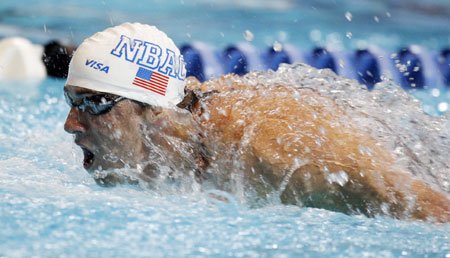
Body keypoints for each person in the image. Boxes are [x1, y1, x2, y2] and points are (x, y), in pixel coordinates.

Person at [63, 22, 450, 222]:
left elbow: (432, 209)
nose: (71, 124)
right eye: (71, 100)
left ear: (155, 113)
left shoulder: (276, 150)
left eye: (93, 103)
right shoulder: (177, 128)